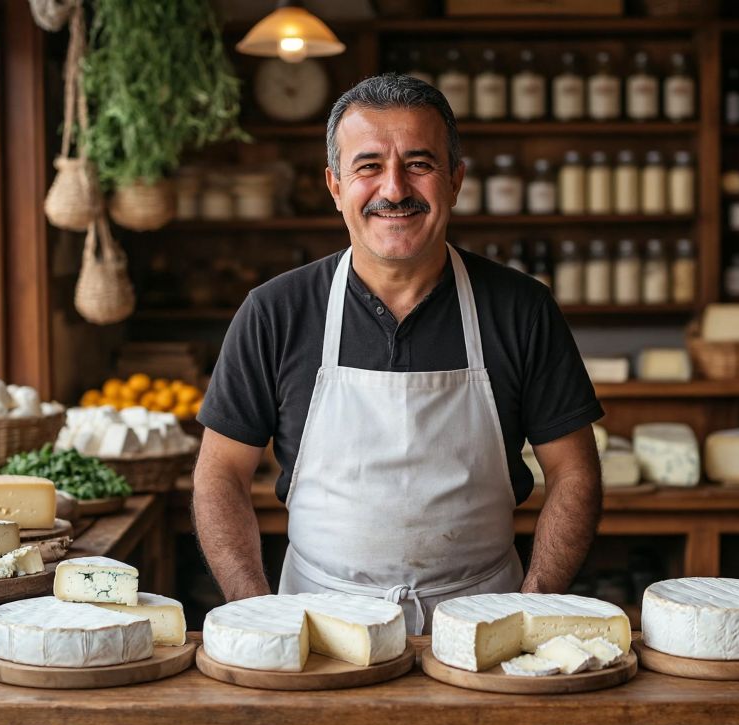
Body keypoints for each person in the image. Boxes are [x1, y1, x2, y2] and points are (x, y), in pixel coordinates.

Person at [193, 73, 603, 634]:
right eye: (368, 167)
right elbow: (219, 476)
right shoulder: (275, 312)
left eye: (419, 164)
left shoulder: (521, 309)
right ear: (335, 186)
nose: (394, 189)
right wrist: (257, 615)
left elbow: (575, 472)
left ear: (455, 180)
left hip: (483, 626)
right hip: (316, 628)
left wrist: (530, 611)